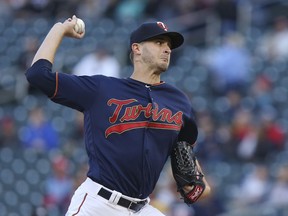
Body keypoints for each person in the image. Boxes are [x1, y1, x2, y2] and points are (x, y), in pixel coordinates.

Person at [25, 15, 211, 216]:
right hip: (99, 204)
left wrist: (199, 183)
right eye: (159, 42)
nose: (167, 49)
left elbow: (184, 149)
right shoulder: (102, 89)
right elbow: (38, 75)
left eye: (168, 45)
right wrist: (59, 29)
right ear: (136, 48)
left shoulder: (179, 101)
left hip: (142, 208)